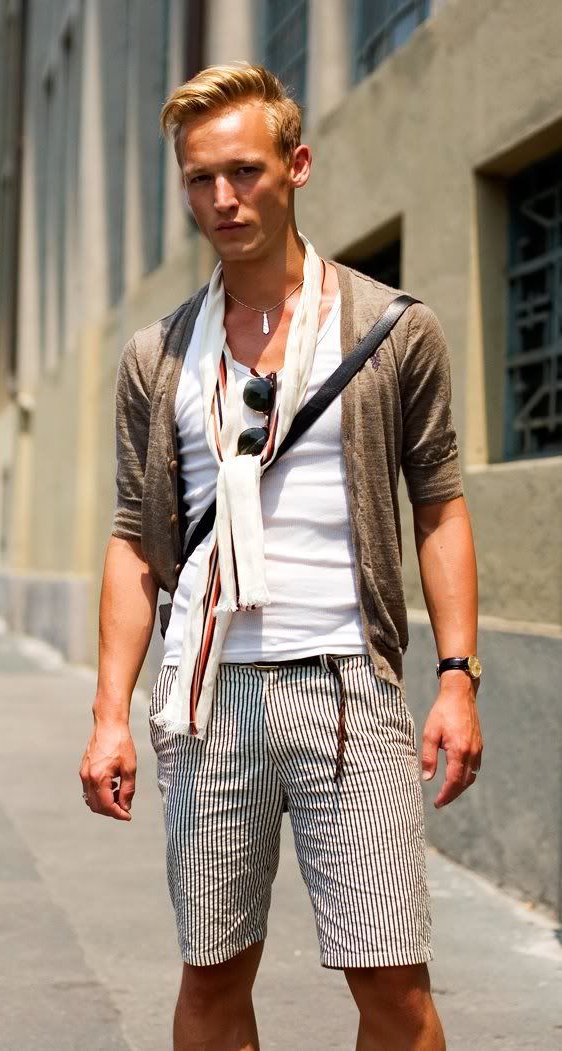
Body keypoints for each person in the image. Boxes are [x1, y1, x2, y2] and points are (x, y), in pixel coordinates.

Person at [80, 61, 483, 1051]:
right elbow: (136, 540)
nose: (223, 197)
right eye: (200, 178)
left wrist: (457, 677)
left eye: (245, 171)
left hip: (350, 688)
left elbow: (438, 506)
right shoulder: (158, 357)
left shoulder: (390, 331)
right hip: (207, 694)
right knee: (213, 977)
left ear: (296, 166)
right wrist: (109, 715)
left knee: (394, 985)